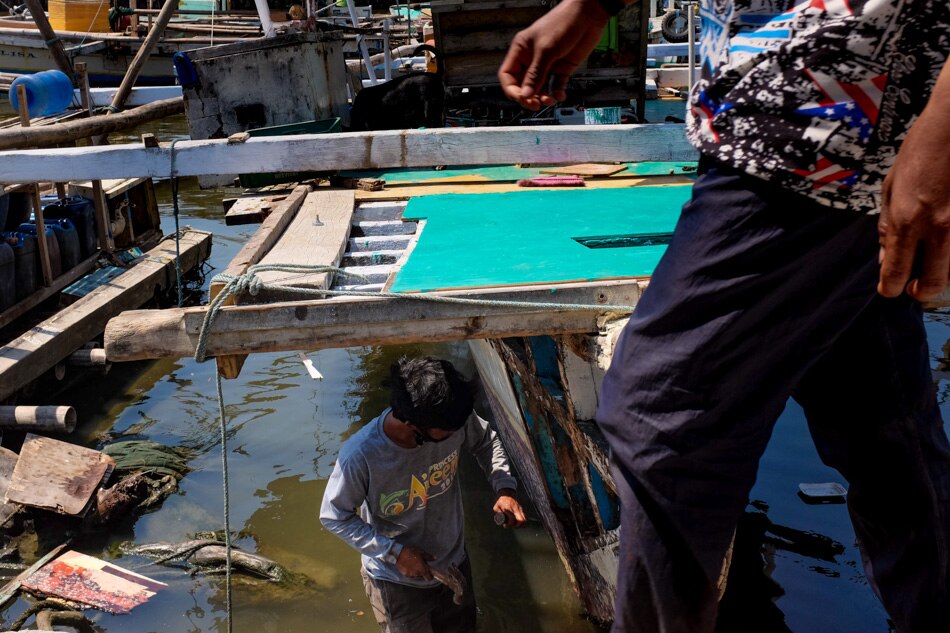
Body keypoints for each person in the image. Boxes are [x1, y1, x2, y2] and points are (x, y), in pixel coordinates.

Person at [499, 1, 950, 632]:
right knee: (885, 429)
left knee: (659, 419)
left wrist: (944, 130)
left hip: (817, 121)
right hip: (816, 120)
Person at [320, 356, 527, 633]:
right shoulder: (360, 456)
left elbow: (486, 441)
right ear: (413, 425)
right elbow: (335, 517)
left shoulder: (452, 420)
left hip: (455, 563)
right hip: (396, 582)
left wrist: (504, 487)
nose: (457, 433)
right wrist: (395, 553)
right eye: (449, 432)